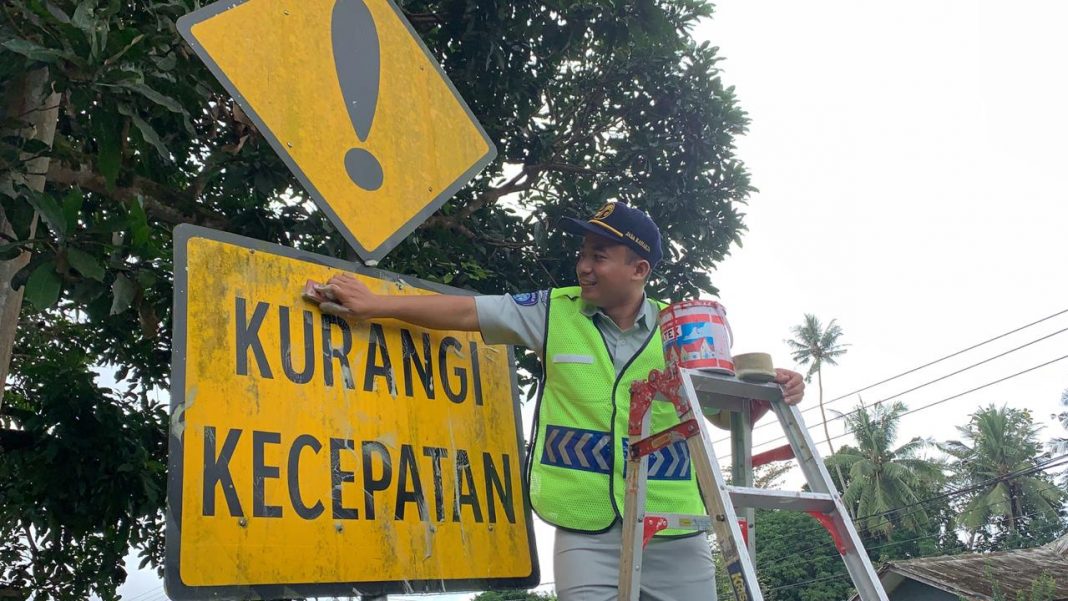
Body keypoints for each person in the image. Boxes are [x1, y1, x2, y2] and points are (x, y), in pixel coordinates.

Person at [310, 201, 805, 601]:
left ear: (639, 269)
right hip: (585, 528)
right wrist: (374, 305)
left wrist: (765, 397)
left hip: (674, 528)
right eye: (582, 254)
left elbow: (718, 415)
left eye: (599, 256)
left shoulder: (682, 327)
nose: (584, 266)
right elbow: (465, 312)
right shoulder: (552, 311)